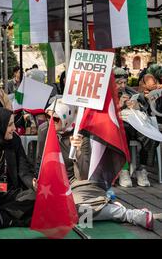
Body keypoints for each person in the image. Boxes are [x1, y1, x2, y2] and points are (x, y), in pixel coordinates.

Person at [36, 98, 155, 230]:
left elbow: (84, 174)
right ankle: (101, 205)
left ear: (68, 116)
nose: (50, 121)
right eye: (47, 116)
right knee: (41, 206)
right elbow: (40, 161)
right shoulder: (44, 129)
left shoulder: (82, 133)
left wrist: (79, 151)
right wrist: (38, 180)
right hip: (54, 183)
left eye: (56, 119)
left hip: (79, 182)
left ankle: (127, 214)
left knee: (75, 209)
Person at [0, 107, 37, 228]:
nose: (14, 128)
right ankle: (10, 218)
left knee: (37, 196)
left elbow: (23, 170)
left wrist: (33, 182)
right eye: (10, 125)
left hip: (11, 194)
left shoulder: (14, 141)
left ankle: (3, 218)